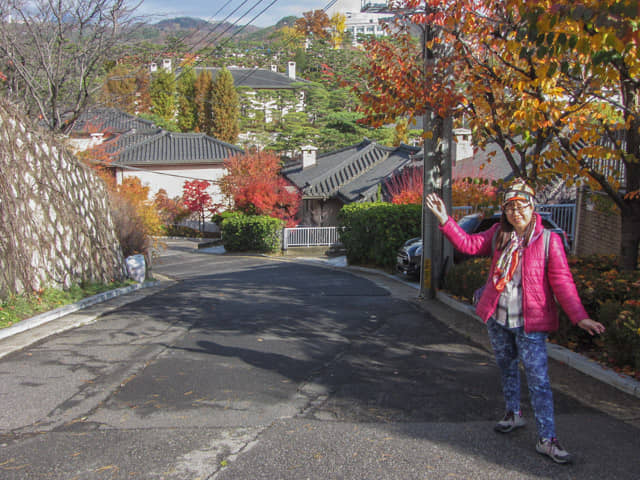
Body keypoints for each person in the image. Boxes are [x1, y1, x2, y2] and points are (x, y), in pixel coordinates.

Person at [424, 179, 605, 464]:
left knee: (539, 379)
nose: (515, 212)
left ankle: (547, 438)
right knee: (506, 365)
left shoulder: (548, 241)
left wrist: (579, 316)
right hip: (498, 316)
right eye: (510, 207)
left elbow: (562, 282)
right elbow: (470, 245)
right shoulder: (499, 234)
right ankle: (513, 413)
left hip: (531, 321)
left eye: (521, 206)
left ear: (533, 207)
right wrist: (446, 220)